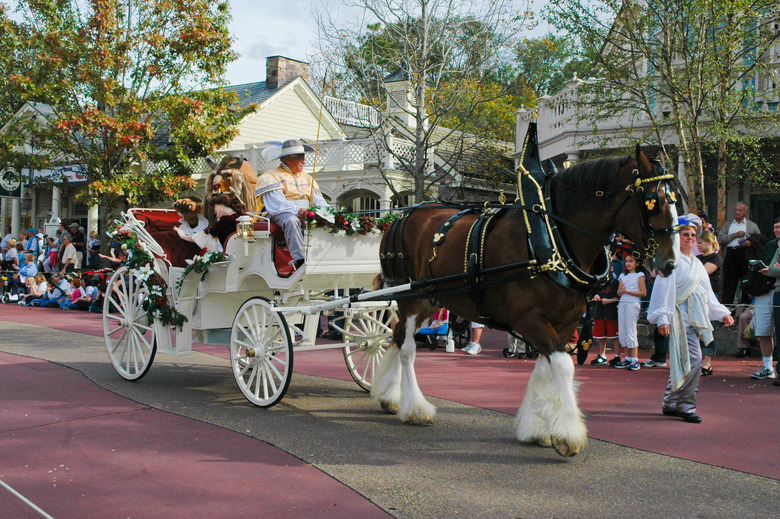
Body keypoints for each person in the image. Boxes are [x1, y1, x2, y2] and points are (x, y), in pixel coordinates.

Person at [648, 216, 734, 424]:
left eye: (693, 235)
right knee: (694, 361)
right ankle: (686, 405)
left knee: (684, 361)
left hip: (695, 320)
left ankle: (670, 402)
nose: (690, 238)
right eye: (685, 234)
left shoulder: (697, 263)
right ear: (677, 236)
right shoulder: (671, 260)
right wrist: (663, 318)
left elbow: (706, 293)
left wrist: (722, 312)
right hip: (678, 318)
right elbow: (663, 291)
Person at [255, 139, 330, 269]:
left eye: (304, 157)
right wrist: (299, 211)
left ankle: (323, 257)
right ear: (288, 158)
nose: (304, 161)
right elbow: (277, 204)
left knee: (325, 219)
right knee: (291, 219)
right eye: (300, 157)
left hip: (306, 213)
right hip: (278, 213)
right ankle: (300, 260)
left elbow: (318, 200)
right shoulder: (270, 176)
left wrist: (328, 212)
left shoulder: (307, 177)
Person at [752, 217, 780, 380]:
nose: (776, 230)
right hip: (765, 291)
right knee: (763, 329)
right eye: (775, 227)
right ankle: (767, 367)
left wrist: (774, 270)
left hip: (777, 290)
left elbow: (773, 269)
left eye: (779, 227)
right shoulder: (770, 246)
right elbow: (765, 267)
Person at [717, 202, 761, 306]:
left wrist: (750, 242)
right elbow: (720, 238)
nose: (737, 212)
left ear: (745, 212)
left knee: (746, 281)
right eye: (736, 210)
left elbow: (760, 239)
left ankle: (744, 308)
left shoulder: (751, 225)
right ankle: (727, 310)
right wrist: (734, 235)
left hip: (745, 254)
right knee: (729, 282)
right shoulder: (728, 224)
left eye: (740, 210)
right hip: (731, 253)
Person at [696, 230, 723, 376]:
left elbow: (701, 274)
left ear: (709, 243)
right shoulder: (697, 258)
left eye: (700, 242)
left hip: (709, 296)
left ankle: (707, 362)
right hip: (695, 296)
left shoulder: (716, 258)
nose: (697, 246)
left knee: (707, 329)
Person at [615, 254, 647, 370]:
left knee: (631, 331)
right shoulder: (622, 275)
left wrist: (627, 291)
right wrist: (621, 291)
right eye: (627, 261)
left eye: (631, 261)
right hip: (622, 304)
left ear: (637, 263)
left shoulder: (640, 275)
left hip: (633, 304)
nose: (628, 263)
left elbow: (643, 293)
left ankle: (635, 359)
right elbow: (619, 293)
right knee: (622, 332)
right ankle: (627, 358)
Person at [590, 262, 620, 366]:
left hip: (611, 312)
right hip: (599, 312)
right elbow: (593, 295)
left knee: (614, 336)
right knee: (600, 336)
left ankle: (617, 356)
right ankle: (602, 356)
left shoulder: (616, 282)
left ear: (611, 268)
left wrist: (609, 301)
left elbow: (619, 297)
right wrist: (596, 296)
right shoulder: (598, 283)